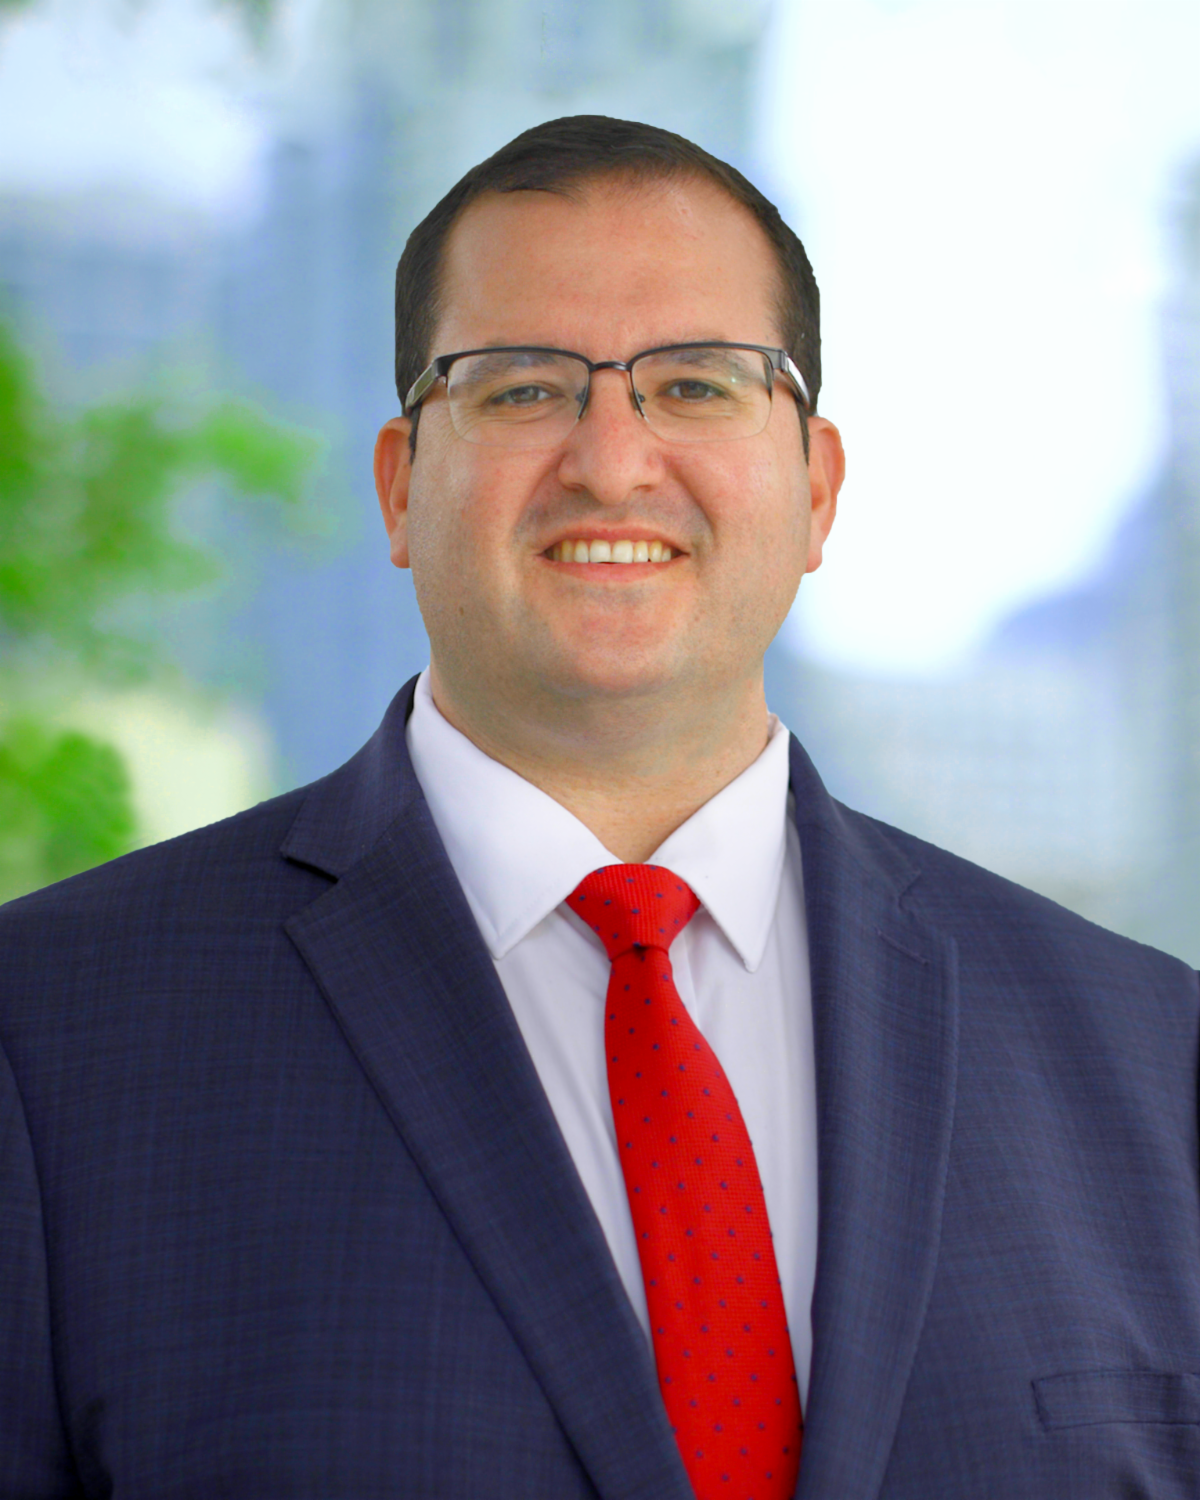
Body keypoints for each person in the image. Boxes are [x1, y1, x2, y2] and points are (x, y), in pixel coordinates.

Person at [1, 115, 1197, 1500]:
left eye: (696, 384)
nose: (613, 461)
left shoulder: (1151, 1053)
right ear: (401, 489)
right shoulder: (48, 1036)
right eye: (521, 388)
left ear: (817, 491)